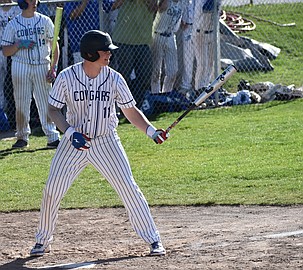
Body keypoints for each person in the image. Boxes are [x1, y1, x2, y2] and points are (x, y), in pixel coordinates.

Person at [29, 30, 169, 257]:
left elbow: (130, 111)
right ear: (91, 54)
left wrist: (152, 132)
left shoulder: (114, 78)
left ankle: (153, 239)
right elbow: (53, 110)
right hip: (74, 143)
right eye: (106, 51)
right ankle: (42, 241)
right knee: (52, 190)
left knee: (128, 188)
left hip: (106, 141)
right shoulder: (66, 77)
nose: (109, 55)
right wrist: (70, 132)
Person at [1, 0, 60, 148]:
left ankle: (52, 136)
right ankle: (22, 137)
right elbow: (6, 51)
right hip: (20, 65)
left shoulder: (45, 20)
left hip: (42, 64)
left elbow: (54, 46)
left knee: (45, 101)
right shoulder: (13, 23)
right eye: (30, 0)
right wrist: (18, 45)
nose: (34, 2)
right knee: (21, 102)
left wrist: (53, 68)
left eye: (35, 0)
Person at [111, 0, 158, 108]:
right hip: (123, 38)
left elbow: (154, 8)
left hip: (143, 39)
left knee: (145, 76)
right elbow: (113, 5)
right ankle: (120, 107)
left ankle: (135, 106)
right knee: (124, 75)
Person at [179, 0, 221, 96]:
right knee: (197, 62)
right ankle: (193, 88)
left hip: (211, 32)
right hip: (196, 31)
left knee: (209, 63)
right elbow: (203, 10)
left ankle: (205, 86)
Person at [151, 0, 188, 94]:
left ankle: (166, 94)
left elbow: (183, 22)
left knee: (173, 71)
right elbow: (159, 8)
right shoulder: (166, 1)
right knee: (156, 70)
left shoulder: (182, 3)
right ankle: (155, 94)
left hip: (171, 36)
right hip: (158, 35)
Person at [0, 0, 20, 131]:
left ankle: (11, 119)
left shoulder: (17, 9)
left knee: (12, 83)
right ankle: (3, 117)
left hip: (14, 49)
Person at [64, 0, 99, 64]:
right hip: (79, 42)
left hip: (96, 40)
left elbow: (109, 6)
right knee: (82, 69)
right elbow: (72, 15)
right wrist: (84, 2)